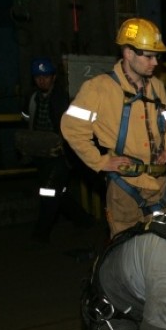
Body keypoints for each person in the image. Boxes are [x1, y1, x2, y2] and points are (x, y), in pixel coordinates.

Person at [61, 18, 166, 237]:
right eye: (149, 56)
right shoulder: (99, 89)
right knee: (127, 251)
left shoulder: (157, 88)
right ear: (128, 53)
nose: (155, 63)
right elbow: (71, 127)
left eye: (157, 56)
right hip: (125, 188)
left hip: (159, 186)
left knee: (165, 245)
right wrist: (101, 161)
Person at [19, 57, 96, 243]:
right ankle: (84, 220)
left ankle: (39, 236)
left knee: (49, 192)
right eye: (38, 77)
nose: (42, 80)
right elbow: (26, 119)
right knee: (57, 192)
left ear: (53, 77)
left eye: (45, 76)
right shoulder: (32, 97)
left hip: (60, 154)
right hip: (41, 153)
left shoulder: (62, 97)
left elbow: (73, 125)